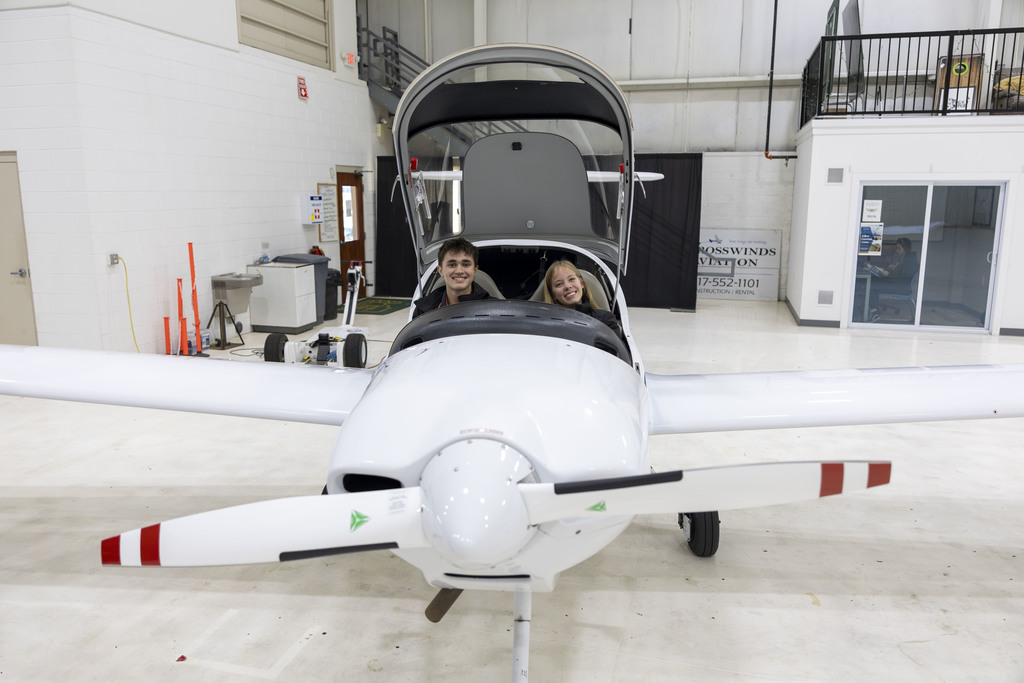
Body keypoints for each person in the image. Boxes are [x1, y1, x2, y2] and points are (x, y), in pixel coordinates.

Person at [412, 237, 491, 317]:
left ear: (475, 270)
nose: (459, 271)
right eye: (452, 265)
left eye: (466, 264)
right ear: (441, 270)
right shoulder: (423, 311)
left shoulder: (492, 309)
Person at [541, 260, 622, 337]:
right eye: (559, 284)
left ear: (582, 284)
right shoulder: (545, 325)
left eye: (571, 279)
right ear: (553, 295)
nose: (567, 286)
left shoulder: (606, 319)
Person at [863, 237, 919, 319]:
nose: (897, 251)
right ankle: (873, 309)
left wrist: (888, 274)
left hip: (901, 287)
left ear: (905, 248)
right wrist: (888, 270)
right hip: (898, 284)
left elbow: (903, 277)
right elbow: (900, 272)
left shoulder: (909, 261)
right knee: (874, 281)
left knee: (872, 287)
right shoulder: (905, 257)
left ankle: (875, 312)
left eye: (899, 248)